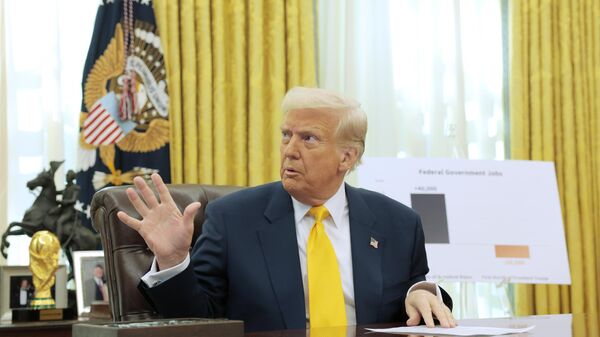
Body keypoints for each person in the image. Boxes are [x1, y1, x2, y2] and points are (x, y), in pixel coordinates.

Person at [117, 87, 456, 332]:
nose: (290, 150)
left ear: (347, 157)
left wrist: (422, 291)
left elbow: (416, 295)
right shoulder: (232, 219)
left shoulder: (397, 224)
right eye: (286, 135)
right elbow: (199, 321)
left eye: (309, 139)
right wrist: (175, 261)